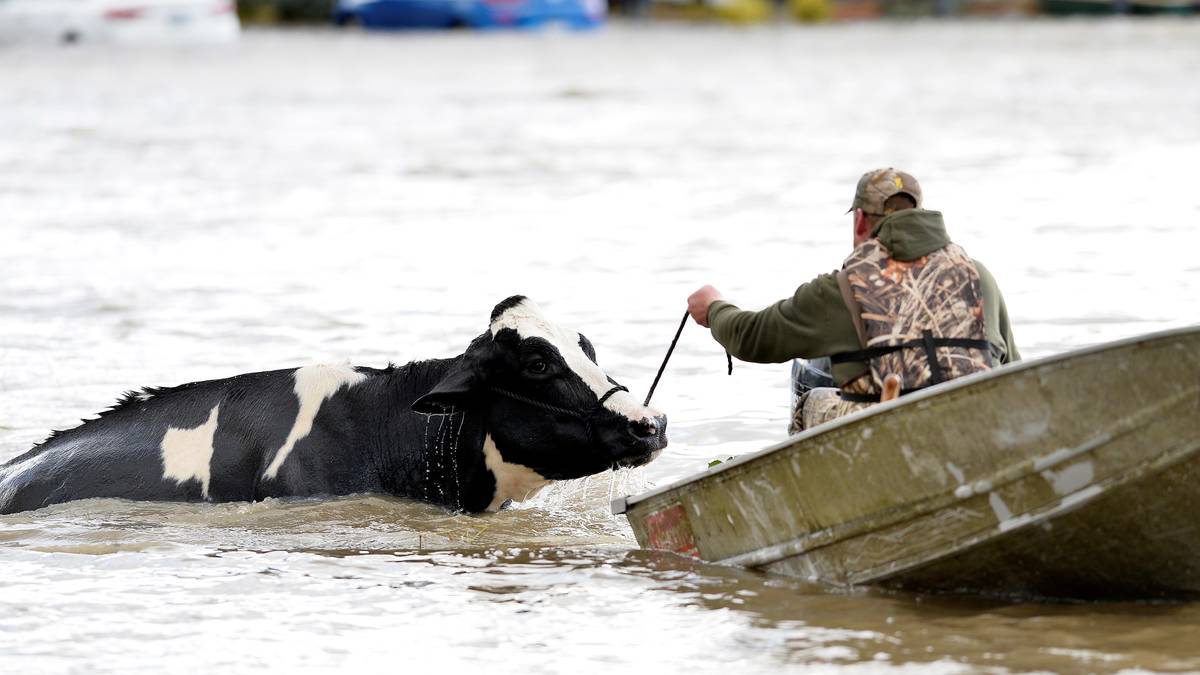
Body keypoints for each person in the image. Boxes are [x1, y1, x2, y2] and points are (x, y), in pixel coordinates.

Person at [686, 168, 1019, 433]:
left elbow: (752, 337)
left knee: (813, 397)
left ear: (860, 219)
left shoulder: (845, 288)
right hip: (979, 425)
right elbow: (1013, 370)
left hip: (891, 439)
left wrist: (715, 308)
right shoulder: (978, 275)